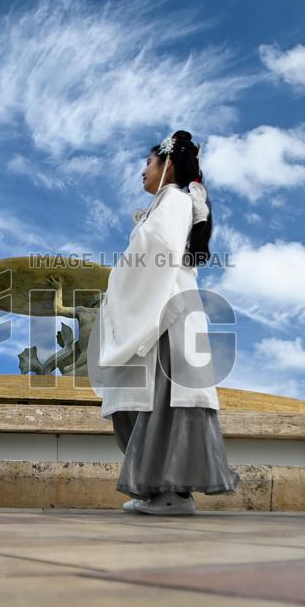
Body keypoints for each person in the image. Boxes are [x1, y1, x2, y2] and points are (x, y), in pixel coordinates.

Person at [88, 131, 238, 516]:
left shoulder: (172, 200)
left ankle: (173, 491)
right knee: (150, 401)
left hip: (165, 314)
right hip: (168, 310)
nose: (143, 171)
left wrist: (119, 278)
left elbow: (158, 253)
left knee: (163, 402)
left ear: (167, 164)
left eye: (148, 162)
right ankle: (159, 490)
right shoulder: (172, 203)